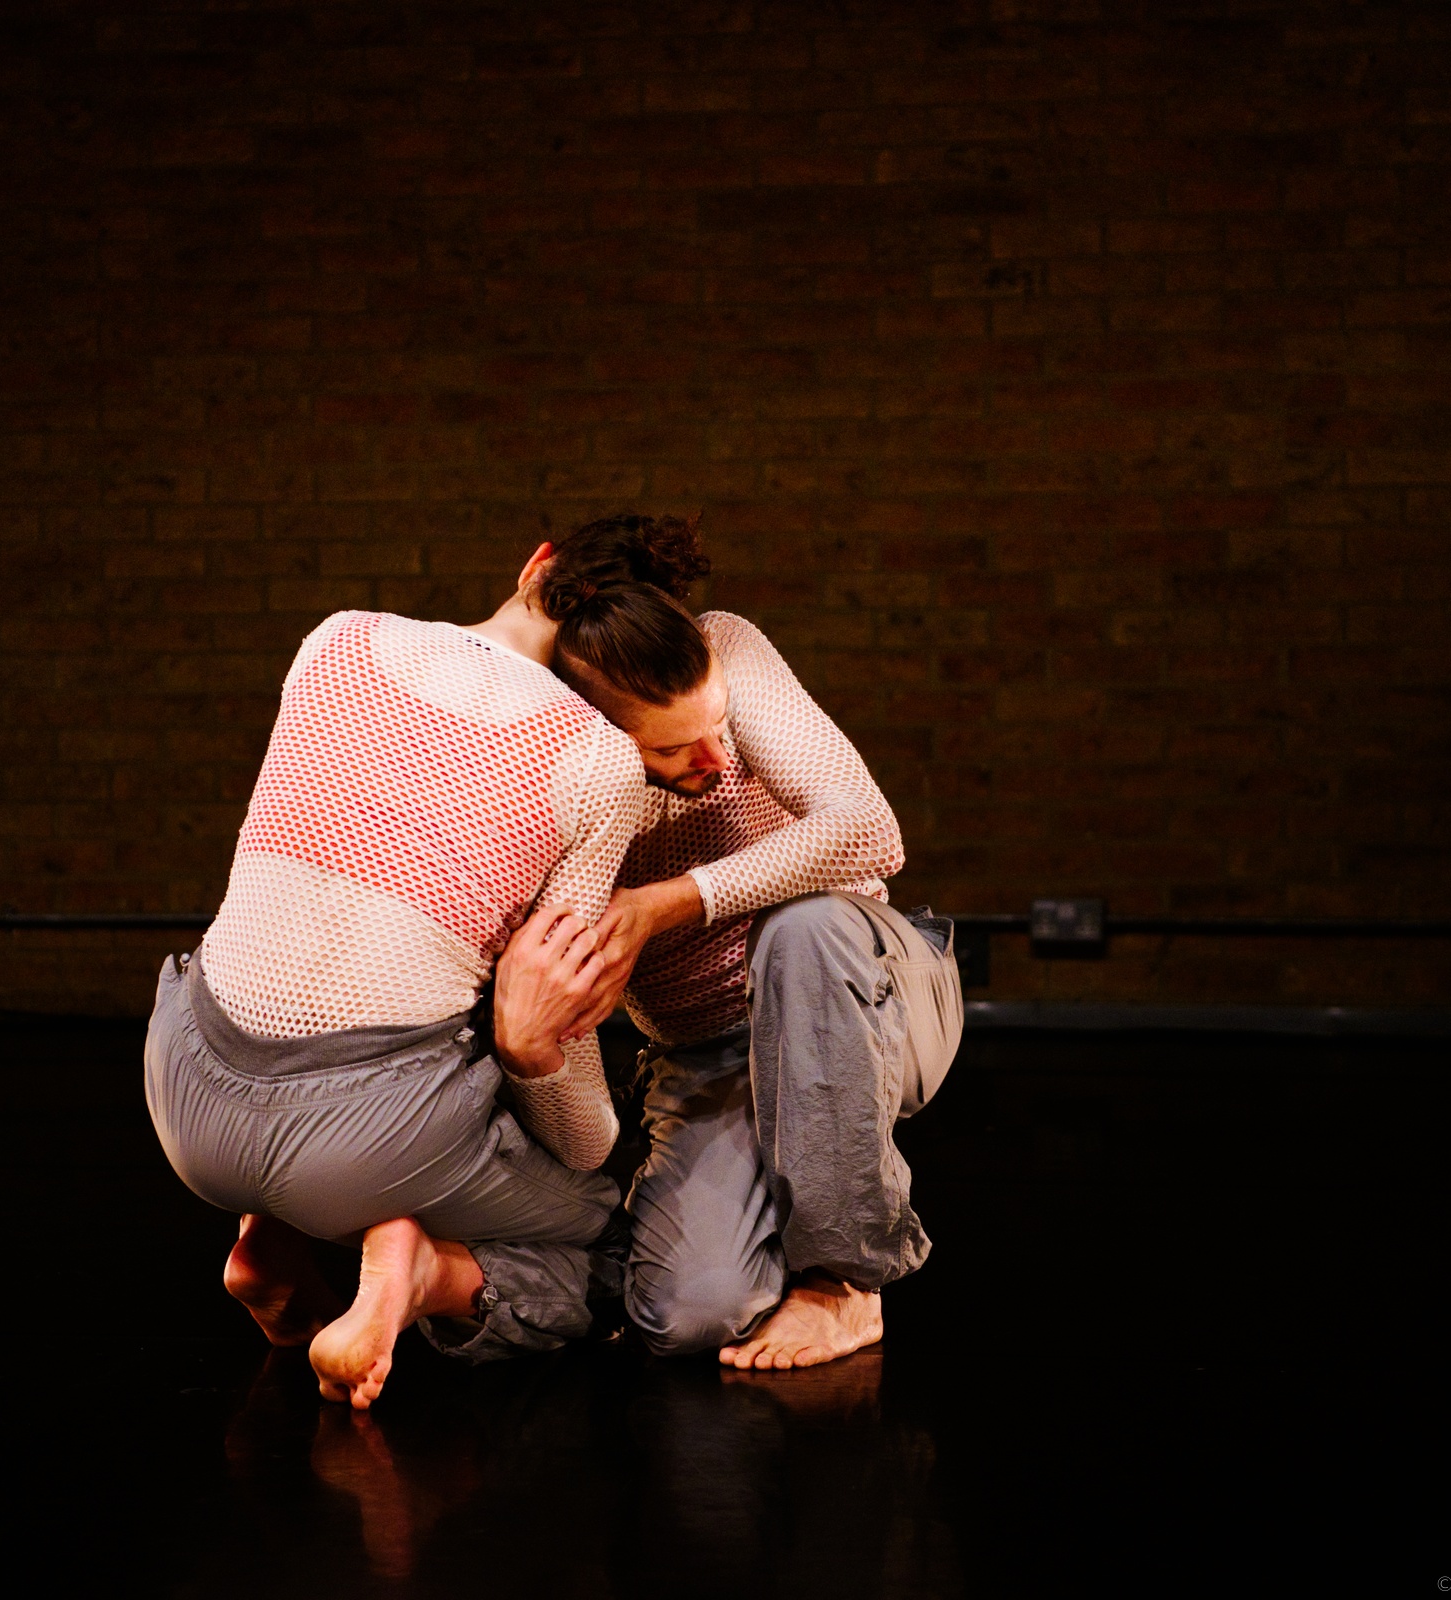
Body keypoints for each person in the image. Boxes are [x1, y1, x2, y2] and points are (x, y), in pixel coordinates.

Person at [143, 553, 711, 1408]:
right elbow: (583, 1140)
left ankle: (271, 1236)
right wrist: (529, 1052)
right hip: (365, 1143)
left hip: (183, 1090)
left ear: (540, 563)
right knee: (626, 1247)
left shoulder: (337, 638)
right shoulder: (595, 755)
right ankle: (420, 1275)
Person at [538, 514, 965, 1372]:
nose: (715, 757)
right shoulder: (552, 756)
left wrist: (668, 904)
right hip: (709, 1052)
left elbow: (868, 831)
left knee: (802, 926)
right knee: (685, 1316)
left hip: (863, 987)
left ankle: (842, 1281)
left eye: (718, 725)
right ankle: (774, 1202)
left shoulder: (725, 644)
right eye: (674, 747)